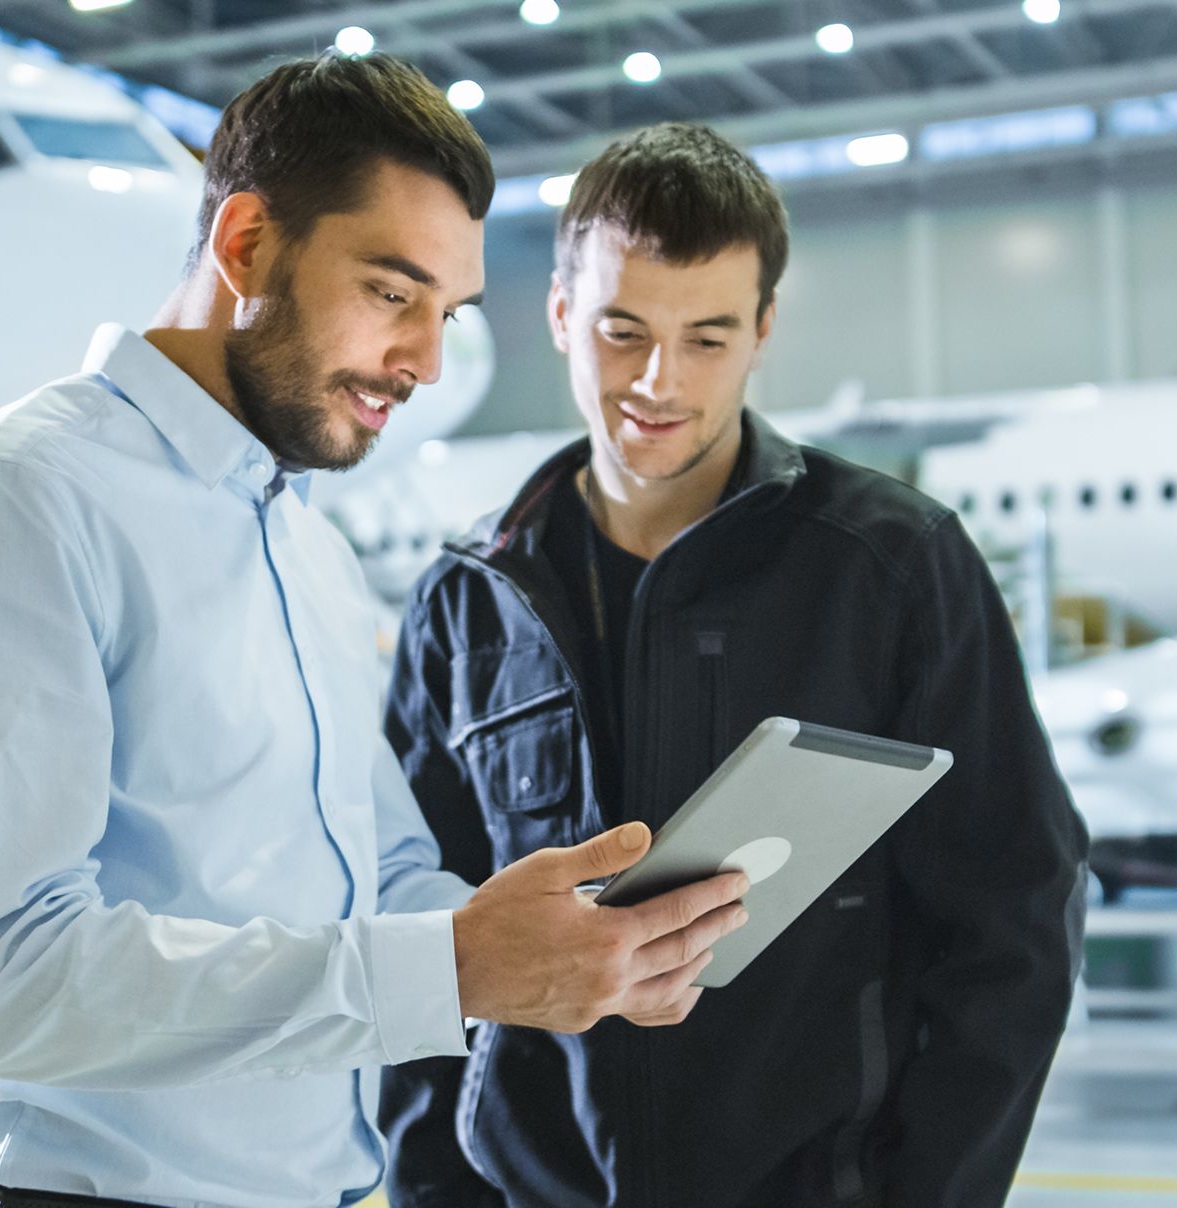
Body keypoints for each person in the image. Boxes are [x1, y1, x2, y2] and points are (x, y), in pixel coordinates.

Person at [0, 59, 748, 1208]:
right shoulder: (18, 497)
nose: (423, 359)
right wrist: (449, 964)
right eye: (391, 292)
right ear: (245, 248)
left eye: (447, 312)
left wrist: (571, 950)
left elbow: (374, 876)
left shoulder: (303, 541)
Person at [380, 122, 1091, 1208]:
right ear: (561, 314)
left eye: (707, 338)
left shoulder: (891, 566)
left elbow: (1017, 915)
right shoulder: (470, 600)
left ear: (763, 331)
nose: (658, 381)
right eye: (622, 331)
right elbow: (414, 930)